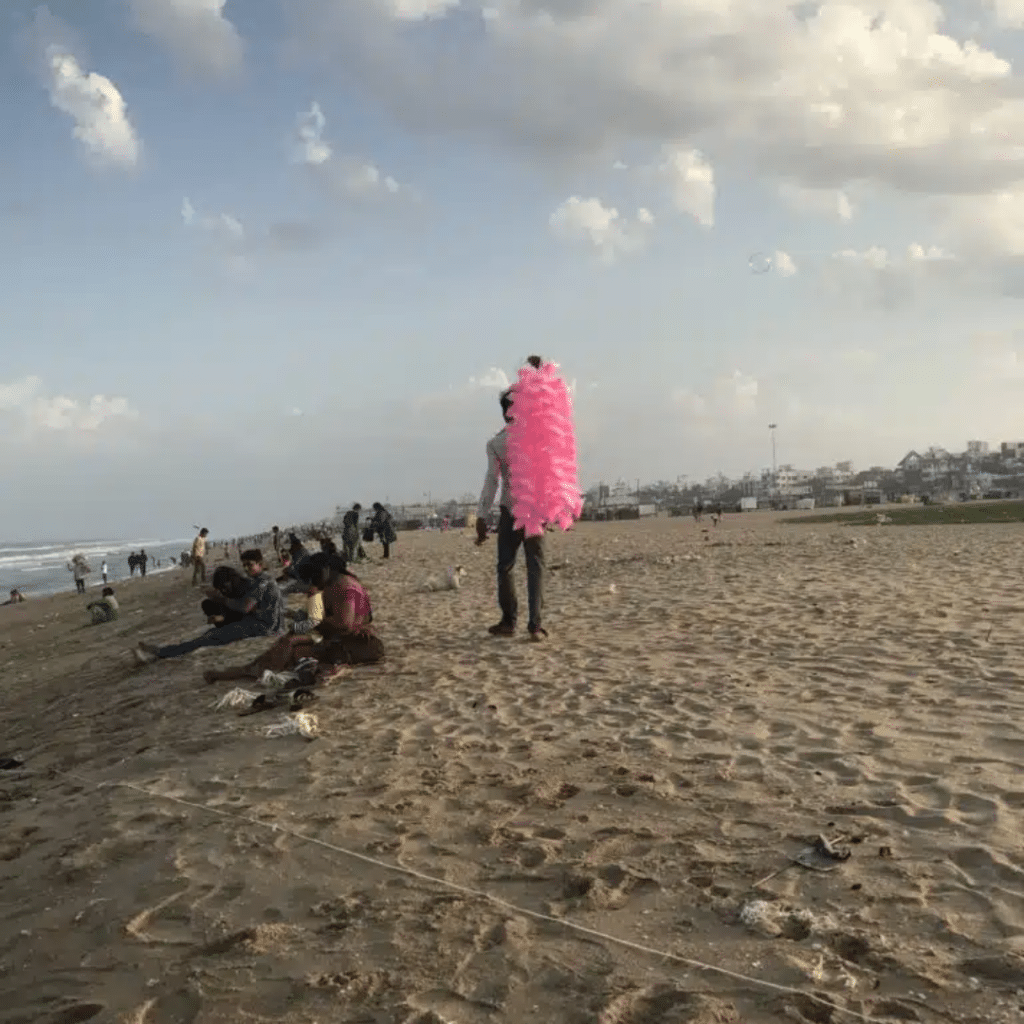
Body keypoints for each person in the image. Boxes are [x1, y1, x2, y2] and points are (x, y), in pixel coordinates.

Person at [203, 551, 383, 685]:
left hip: (353, 644)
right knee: (290, 646)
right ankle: (248, 669)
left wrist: (311, 623)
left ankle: (246, 671)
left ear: (327, 570)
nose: (312, 580)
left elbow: (343, 624)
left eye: (315, 575)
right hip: (346, 639)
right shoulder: (339, 584)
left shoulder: (345, 588)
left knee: (290, 647)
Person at [475, 355, 547, 641]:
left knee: (506, 566)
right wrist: (539, 372)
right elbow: (549, 406)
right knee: (535, 567)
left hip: (510, 510)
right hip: (533, 510)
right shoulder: (537, 435)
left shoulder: (497, 443)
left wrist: (482, 515)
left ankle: (509, 621)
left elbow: (492, 480)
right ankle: (535, 625)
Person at [131, 549, 285, 663]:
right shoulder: (262, 580)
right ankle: (162, 652)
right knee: (210, 635)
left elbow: (245, 607)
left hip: (263, 627)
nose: (246, 569)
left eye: (250, 565)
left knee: (207, 639)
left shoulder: (262, 583)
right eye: (244, 565)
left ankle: (159, 653)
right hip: (264, 624)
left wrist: (219, 598)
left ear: (260, 564)